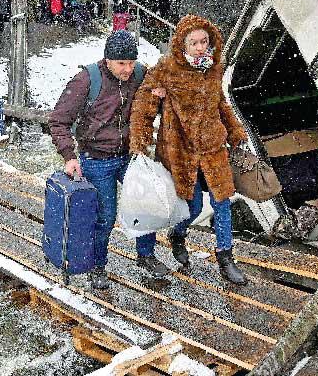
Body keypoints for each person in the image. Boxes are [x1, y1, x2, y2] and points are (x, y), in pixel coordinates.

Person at [130, 15, 250, 285]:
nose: (199, 47)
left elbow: (220, 104)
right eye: (193, 42)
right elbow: (142, 107)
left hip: (212, 148)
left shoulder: (213, 68)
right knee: (192, 206)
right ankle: (178, 234)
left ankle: (225, 257)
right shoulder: (167, 69)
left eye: (204, 42)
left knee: (222, 202)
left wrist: (234, 130)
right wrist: (140, 141)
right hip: (180, 151)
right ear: (182, 44)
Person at [48, 31, 171, 289]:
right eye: (121, 64)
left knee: (145, 204)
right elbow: (58, 121)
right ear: (108, 60)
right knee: (105, 217)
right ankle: (97, 264)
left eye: (131, 63)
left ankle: (146, 255)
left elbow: (152, 103)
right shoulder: (86, 80)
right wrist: (69, 156)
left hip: (130, 155)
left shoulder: (139, 74)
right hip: (96, 159)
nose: (128, 69)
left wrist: (161, 95)